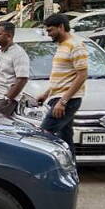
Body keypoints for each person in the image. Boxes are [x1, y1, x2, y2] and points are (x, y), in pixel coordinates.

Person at [36, 13, 88, 156]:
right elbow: (64, 76)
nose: (49, 34)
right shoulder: (62, 46)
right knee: (65, 139)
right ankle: (71, 174)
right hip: (58, 98)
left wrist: (63, 101)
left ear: (61, 27)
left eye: (50, 30)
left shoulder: (76, 45)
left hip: (67, 100)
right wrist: (46, 94)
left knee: (43, 137)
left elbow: (82, 75)